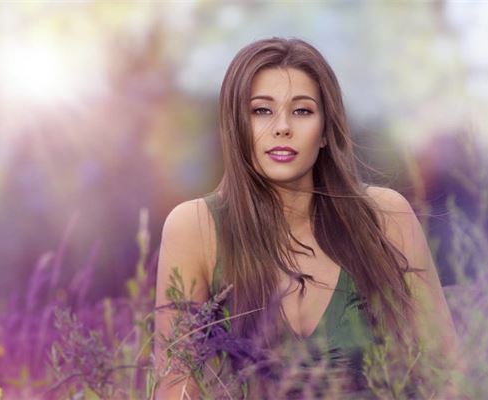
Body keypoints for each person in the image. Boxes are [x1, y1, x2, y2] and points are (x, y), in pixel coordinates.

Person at [154, 37, 462, 399]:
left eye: (302, 111)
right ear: (236, 127)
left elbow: (448, 371)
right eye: (261, 111)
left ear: (326, 131)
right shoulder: (195, 227)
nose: (282, 127)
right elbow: (177, 383)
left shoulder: (385, 216)